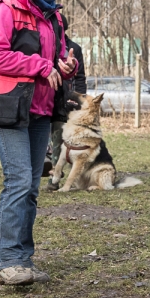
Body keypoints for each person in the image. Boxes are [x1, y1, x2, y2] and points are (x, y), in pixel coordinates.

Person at [0, 0, 77, 286]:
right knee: (19, 181)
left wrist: (67, 65)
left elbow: (60, 55)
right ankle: (8, 261)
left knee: (32, 188)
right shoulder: (7, 10)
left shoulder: (53, 15)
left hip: (40, 110)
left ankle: (24, 259)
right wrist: (41, 66)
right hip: (8, 109)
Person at [45, 34, 86, 191]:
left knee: (58, 139)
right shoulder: (44, 44)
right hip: (44, 99)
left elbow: (80, 78)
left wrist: (77, 99)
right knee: (46, 139)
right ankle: (48, 169)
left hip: (64, 100)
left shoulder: (73, 48)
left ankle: (54, 178)